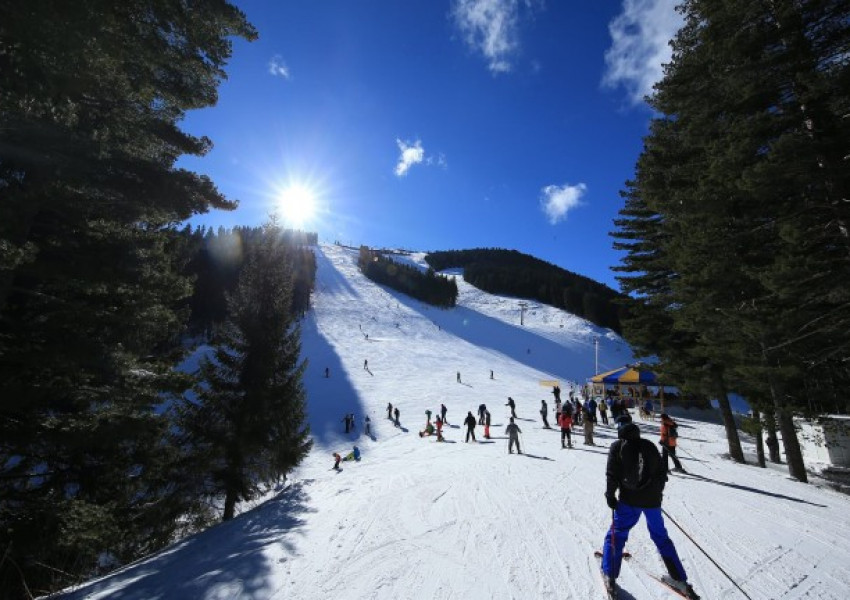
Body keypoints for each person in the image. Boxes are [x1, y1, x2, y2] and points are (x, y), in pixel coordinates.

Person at [600, 419, 699, 600]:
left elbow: (612, 474)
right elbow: (662, 472)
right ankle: (680, 580)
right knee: (661, 538)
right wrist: (655, 494)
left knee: (617, 534)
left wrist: (610, 495)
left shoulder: (617, 447)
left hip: (629, 500)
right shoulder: (649, 445)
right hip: (652, 502)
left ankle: (609, 574)